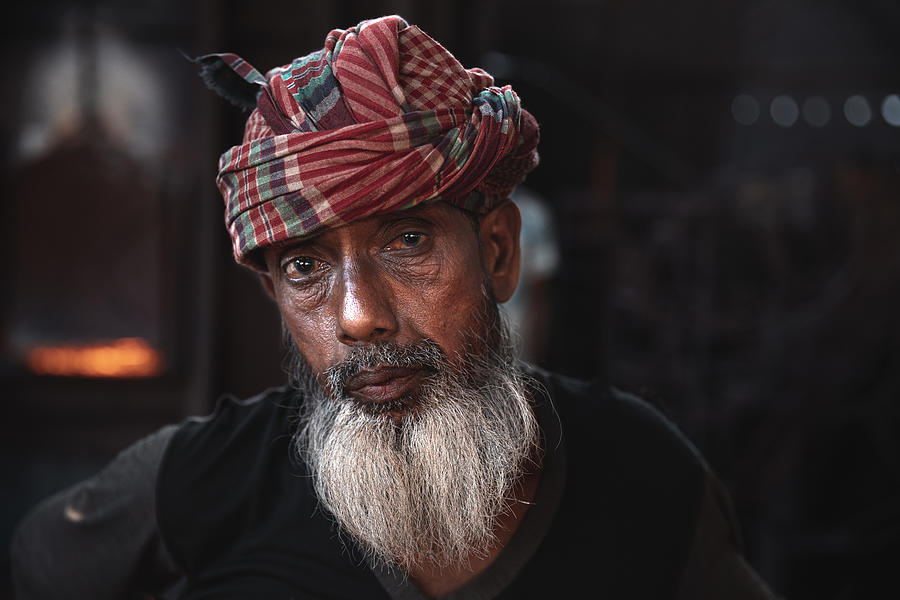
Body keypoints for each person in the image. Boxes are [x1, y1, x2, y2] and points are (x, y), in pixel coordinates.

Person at [10, 15, 777, 599]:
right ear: (276, 295)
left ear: (499, 254)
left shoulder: (646, 480)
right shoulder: (204, 483)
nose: (356, 317)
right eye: (305, 266)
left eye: (408, 240)